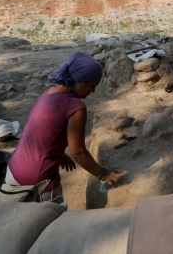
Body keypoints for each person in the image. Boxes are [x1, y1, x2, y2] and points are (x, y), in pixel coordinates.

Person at [7, 52, 124, 203]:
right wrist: (103, 174)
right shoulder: (75, 107)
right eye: (92, 85)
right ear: (80, 81)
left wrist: (56, 153)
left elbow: (38, 130)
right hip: (37, 182)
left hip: (14, 170)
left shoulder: (49, 93)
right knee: (53, 223)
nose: (93, 91)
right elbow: (78, 152)